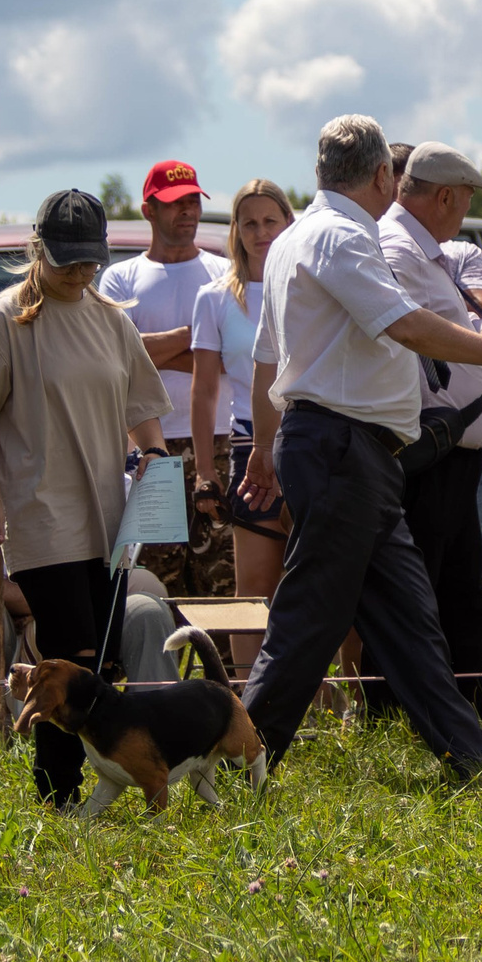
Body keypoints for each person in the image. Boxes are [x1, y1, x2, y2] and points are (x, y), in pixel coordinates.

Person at [236, 116, 482, 776]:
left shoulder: (296, 239)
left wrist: (265, 446)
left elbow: (267, 358)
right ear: (383, 174)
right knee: (310, 615)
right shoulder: (339, 236)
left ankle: (469, 752)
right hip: (340, 448)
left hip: (346, 453)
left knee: (410, 614)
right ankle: (241, 758)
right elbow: (408, 325)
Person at [0, 189, 172, 807]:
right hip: (40, 515)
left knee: (97, 665)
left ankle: (88, 785)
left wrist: (153, 454)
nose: (79, 272)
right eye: (67, 260)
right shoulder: (5, 321)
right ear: (37, 249)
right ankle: (56, 793)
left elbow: (143, 411)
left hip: (110, 517)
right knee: (72, 655)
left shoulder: (113, 321)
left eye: (90, 260)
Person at [0, 444, 177, 757]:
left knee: (149, 606)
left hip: (90, 622)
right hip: (11, 627)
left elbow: (121, 578)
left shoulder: (115, 480)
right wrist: (56, 601)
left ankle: (155, 748)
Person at [379, 143, 482, 716]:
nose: (464, 214)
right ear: (447, 196)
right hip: (423, 451)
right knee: (421, 585)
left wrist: (478, 332)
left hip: (450, 452)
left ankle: (466, 702)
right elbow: (418, 334)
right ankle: (408, 710)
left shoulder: (420, 250)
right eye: (466, 202)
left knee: (458, 588)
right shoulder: (398, 247)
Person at [99, 160, 234, 600]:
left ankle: (222, 651)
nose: (188, 211)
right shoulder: (121, 278)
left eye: (193, 200)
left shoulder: (223, 274)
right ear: (148, 211)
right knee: (156, 579)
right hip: (148, 448)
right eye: (175, 203)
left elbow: (232, 359)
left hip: (216, 441)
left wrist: (150, 353)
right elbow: (117, 357)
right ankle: (156, 648)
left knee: (221, 576)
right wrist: (194, 338)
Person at [189, 178, 299, 677]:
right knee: (253, 588)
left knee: (317, 581)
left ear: (289, 223)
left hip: (308, 438)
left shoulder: (308, 286)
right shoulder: (214, 298)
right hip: (248, 446)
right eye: (249, 223)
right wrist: (204, 471)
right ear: (235, 229)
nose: (261, 232)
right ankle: (248, 702)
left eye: (270, 221)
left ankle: (336, 700)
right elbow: (203, 391)